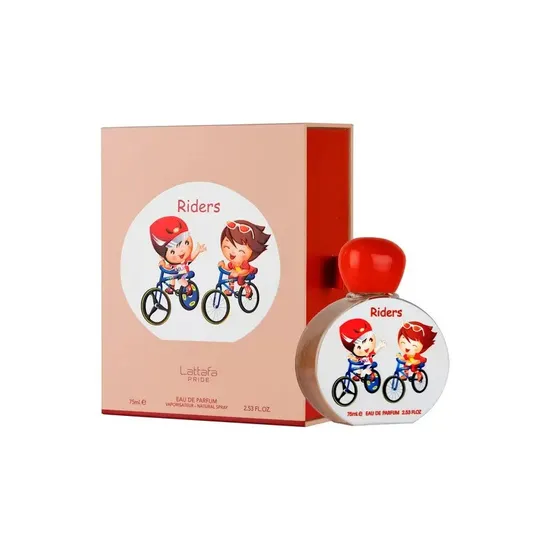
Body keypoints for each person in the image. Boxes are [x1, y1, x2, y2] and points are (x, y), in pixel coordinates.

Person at [149, 216, 206, 295]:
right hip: (176, 271)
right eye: (172, 251)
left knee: (180, 278)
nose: (182, 250)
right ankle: (171, 287)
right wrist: (163, 264)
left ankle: (188, 287)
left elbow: (191, 258)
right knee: (172, 274)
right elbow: (168, 267)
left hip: (184, 273)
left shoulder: (184, 261)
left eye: (186, 243)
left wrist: (197, 250)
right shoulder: (172, 263)